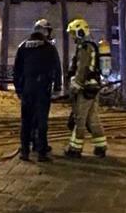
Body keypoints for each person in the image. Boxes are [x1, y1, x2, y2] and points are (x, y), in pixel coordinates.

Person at [13, 18, 61, 161]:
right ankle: (41, 152)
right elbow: (57, 69)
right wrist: (57, 88)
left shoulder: (23, 46)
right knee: (41, 121)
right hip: (42, 89)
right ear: (44, 31)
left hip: (27, 88)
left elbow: (16, 71)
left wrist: (19, 89)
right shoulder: (49, 48)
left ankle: (25, 151)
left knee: (26, 120)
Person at [63, 18, 106, 158]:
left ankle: (74, 149)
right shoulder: (91, 46)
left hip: (85, 88)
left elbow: (82, 69)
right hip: (93, 87)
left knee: (79, 119)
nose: (73, 37)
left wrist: (75, 86)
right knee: (92, 118)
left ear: (80, 32)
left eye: (74, 34)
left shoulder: (85, 48)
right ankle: (101, 146)